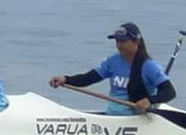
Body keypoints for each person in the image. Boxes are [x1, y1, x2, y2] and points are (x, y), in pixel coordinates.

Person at [48, 22, 177, 115]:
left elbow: (169, 92)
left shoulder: (149, 66)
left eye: (123, 41)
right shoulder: (113, 61)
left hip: (136, 119)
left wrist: (149, 100)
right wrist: (65, 79)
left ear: (136, 42)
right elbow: (89, 78)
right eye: (117, 41)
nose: (119, 45)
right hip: (113, 115)